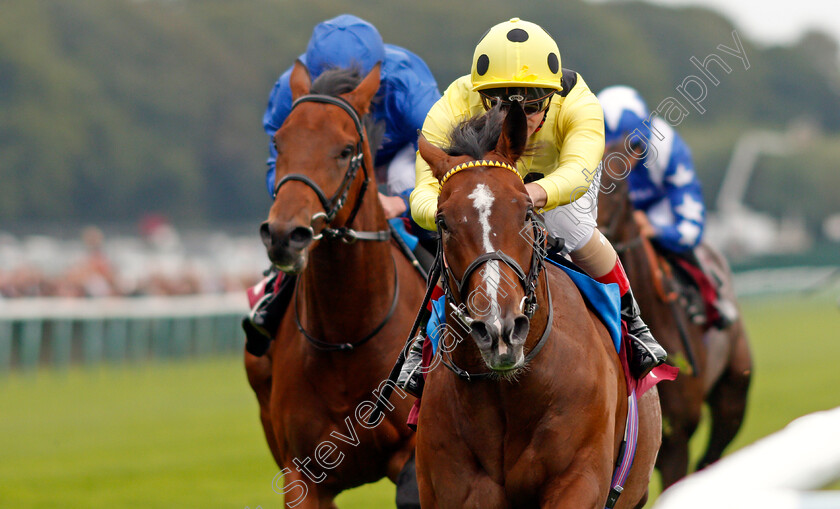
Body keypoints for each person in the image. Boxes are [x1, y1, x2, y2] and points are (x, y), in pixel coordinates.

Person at [398, 18, 667, 395]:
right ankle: (423, 345)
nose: (517, 119)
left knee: (573, 228)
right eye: (499, 104)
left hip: (554, 187)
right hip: (483, 194)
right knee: (464, 236)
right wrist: (450, 212)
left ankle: (632, 321)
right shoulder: (455, 101)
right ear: (480, 96)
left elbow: (578, 173)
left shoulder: (579, 102)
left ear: (553, 95)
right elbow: (422, 194)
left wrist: (527, 198)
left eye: (534, 105)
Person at [243, 14, 441, 354]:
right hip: (331, 164)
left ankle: (451, 292)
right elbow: (279, 163)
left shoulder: (407, 84)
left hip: (405, 157)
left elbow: (444, 157)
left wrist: (403, 202)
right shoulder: (288, 89)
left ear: (373, 80)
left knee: (400, 179)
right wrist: (295, 204)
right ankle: (275, 295)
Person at [597, 85, 736, 327]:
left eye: (631, 148)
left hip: (659, 210)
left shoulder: (669, 149)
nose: (620, 159)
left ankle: (711, 299)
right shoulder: (585, 151)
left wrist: (657, 230)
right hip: (614, 210)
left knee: (678, 247)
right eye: (609, 150)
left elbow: (691, 228)